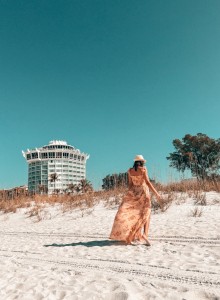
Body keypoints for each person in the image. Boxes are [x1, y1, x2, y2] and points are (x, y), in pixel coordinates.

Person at [109, 155, 161, 245]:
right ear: (142, 162)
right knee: (146, 214)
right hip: (144, 193)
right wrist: (156, 193)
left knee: (136, 214)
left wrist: (128, 196)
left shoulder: (130, 171)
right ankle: (145, 234)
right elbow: (148, 182)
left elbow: (130, 185)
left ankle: (136, 235)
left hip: (134, 193)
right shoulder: (143, 169)